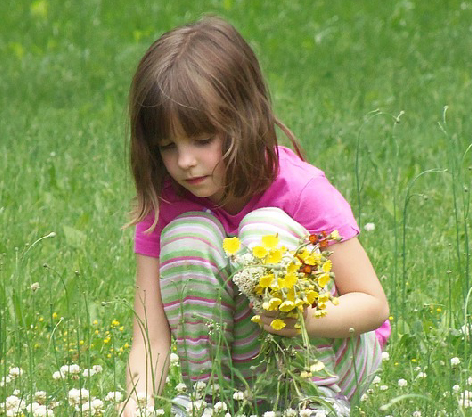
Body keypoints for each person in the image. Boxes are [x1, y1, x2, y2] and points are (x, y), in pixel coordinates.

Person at [122, 16, 390, 416]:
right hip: (241, 373)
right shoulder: (166, 205)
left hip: (330, 355)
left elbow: (372, 306)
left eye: (202, 139)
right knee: (186, 236)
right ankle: (208, 401)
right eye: (167, 146)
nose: (185, 161)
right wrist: (134, 410)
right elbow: (150, 339)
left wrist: (298, 318)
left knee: (265, 229)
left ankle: (311, 402)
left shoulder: (299, 189)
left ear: (243, 118)